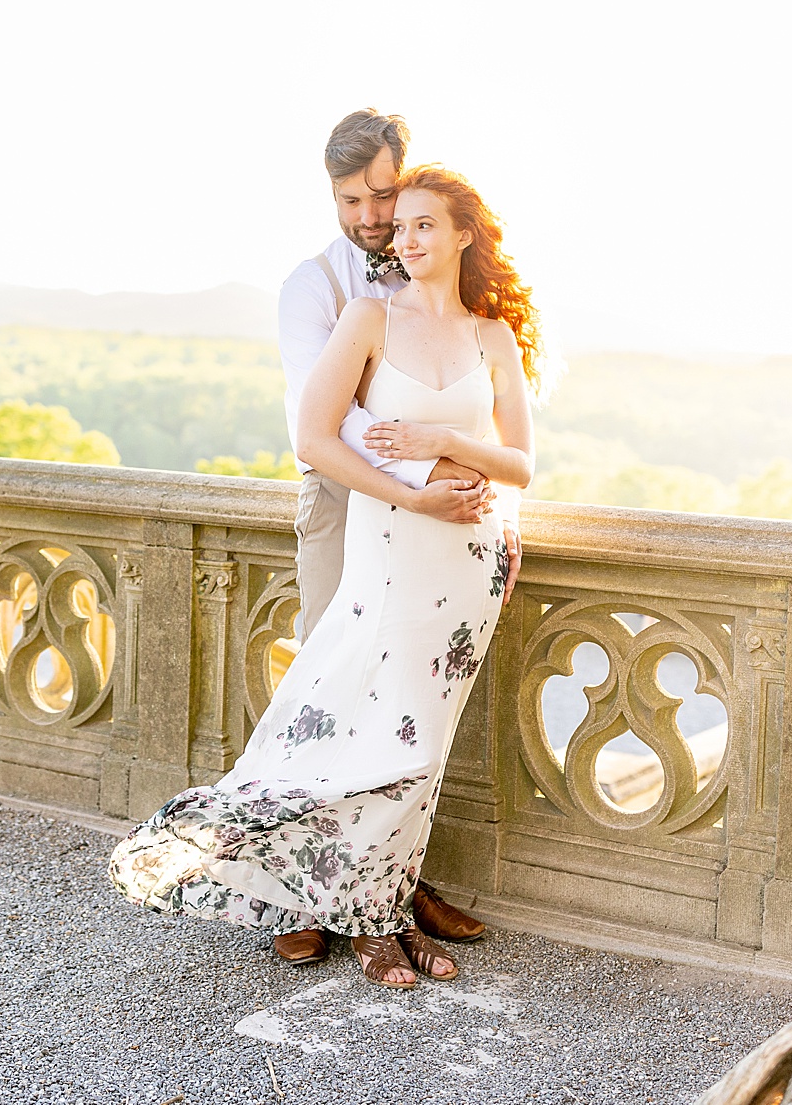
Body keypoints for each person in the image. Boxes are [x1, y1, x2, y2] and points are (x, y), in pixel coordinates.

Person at [111, 164, 545, 990]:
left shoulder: (492, 335)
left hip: (472, 560)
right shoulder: (367, 316)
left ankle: (381, 903)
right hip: (397, 544)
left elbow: (520, 461)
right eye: (401, 224)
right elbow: (316, 439)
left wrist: (437, 446)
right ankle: (371, 917)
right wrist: (417, 490)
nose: (406, 237)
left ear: (464, 234)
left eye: (425, 224)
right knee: (372, 724)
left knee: (424, 742)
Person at [267, 110, 517, 967]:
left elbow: (505, 437)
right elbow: (335, 424)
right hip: (352, 503)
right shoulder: (320, 287)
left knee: (412, 700)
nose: (374, 218)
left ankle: (395, 880)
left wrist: (467, 485)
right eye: (355, 201)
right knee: (338, 685)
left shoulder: (478, 320)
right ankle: (307, 891)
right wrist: (429, 484)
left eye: (386, 196)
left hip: (448, 522)